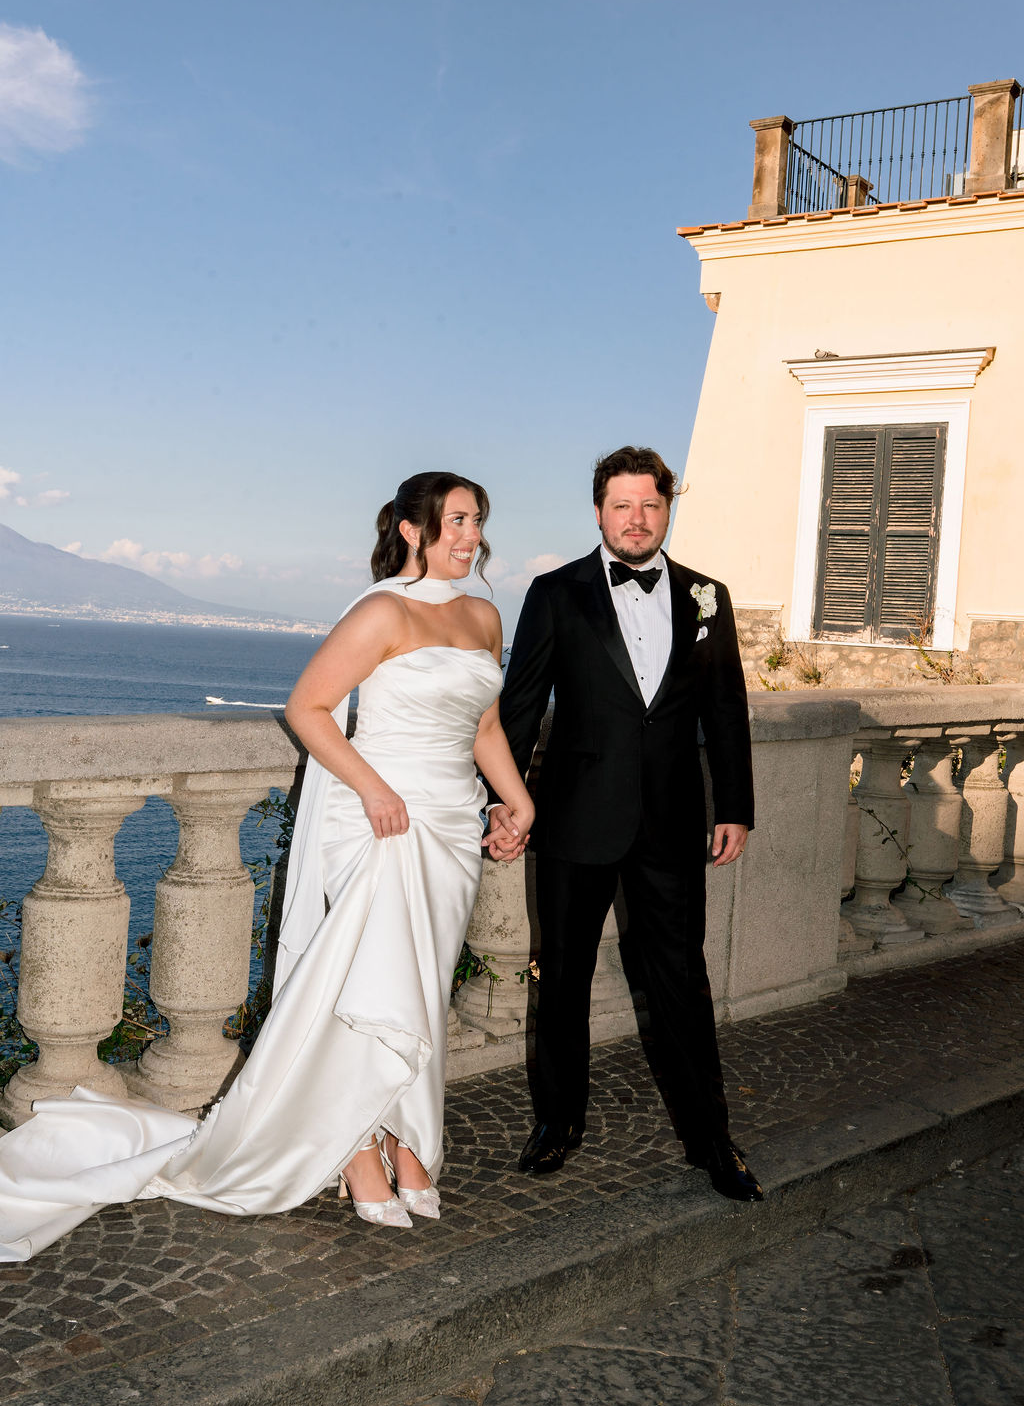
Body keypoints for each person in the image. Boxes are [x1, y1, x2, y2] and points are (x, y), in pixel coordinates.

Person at [0, 471, 534, 1259]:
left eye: (478, 522)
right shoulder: (382, 610)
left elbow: (483, 722)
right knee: (366, 983)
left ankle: (402, 1132)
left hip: (452, 826)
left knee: (416, 985)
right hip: (383, 823)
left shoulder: (484, 615)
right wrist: (375, 789)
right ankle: (353, 1146)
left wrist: (518, 800)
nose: (471, 537)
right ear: (415, 530)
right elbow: (307, 708)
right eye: (456, 521)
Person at [487, 446, 762, 1202]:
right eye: (621, 506)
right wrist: (504, 803)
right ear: (599, 510)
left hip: (674, 826)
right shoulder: (555, 592)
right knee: (564, 980)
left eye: (650, 505)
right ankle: (557, 1125)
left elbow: (724, 711)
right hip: (576, 821)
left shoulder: (709, 596)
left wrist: (734, 805)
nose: (636, 520)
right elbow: (519, 709)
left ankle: (714, 1141)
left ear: (667, 508)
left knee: (683, 982)